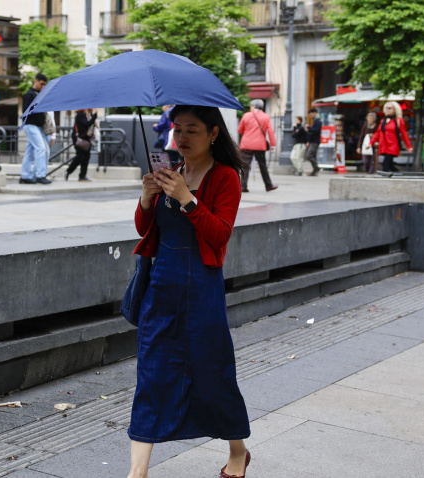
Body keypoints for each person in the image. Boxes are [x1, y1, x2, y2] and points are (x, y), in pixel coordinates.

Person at [129, 105, 251, 478]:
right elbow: (144, 230)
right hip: (161, 288)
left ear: (214, 133)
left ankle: (238, 450)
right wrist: (147, 198)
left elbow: (220, 234)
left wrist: (187, 198)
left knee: (212, 374)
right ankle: (138, 473)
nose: (181, 138)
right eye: (177, 130)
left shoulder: (226, 176)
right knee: (151, 376)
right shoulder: (173, 172)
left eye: (192, 130)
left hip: (201, 289)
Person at [237, 99, 277, 192]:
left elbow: (240, 130)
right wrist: (273, 145)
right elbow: (270, 131)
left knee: (245, 165)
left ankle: (243, 186)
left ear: (254, 106)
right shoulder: (266, 117)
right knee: (263, 165)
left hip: (246, 144)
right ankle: (268, 185)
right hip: (260, 145)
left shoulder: (246, 115)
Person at [20, 73, 51, 185]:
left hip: (36, 126)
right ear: (36, 81)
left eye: (44, 85)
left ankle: (26, 176)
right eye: (41, 84)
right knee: (41, 149)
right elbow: (26, 111)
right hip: (31, 125)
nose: (43, 86)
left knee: (31, 151)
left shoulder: (37, 94)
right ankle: (40, 175)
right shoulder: (30, 95)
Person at [371, 101, 412, 173]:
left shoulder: (399, 120)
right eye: (386, 108)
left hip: (393, 145)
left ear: (394, 109)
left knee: (385, 164)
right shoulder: (383, 120)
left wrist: (409, 146)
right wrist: (371, 143)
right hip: (384, 145)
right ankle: (399, 175)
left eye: (390, 108)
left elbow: (404, 134)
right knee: (390, 165)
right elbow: (378, 132)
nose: (388, 110)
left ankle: (385, 179)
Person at [65, 109, 97, 181]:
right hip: (79, 139)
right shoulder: (80, 115)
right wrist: (95, 116)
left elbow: (90, 124)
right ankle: (68, 171)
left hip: (86, 139)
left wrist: (94, 120)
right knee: (80, 157)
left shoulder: (89, 115)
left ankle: (82, 175)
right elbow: (87, 124)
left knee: (86, 157)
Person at [305, 108, 322, 176]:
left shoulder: (318, 121)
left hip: (315, 141)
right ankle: (315, 171)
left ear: (314, 113)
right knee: (313, 156)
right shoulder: (315, 121)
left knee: (309, 155)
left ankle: (316, 167)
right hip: (313, 141)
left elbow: (316, 131)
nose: (310, 116)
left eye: (311, 114)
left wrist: (309, 128)